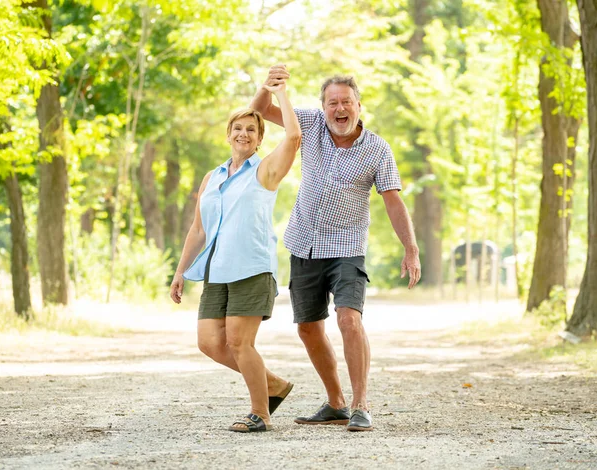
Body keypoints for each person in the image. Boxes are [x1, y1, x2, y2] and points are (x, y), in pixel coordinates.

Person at [250, 65, 421, 432]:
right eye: (332, 102)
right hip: (304, 243)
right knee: (308, 328)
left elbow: (393, 201)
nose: (339, 109)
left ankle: (361, 403)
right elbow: (261, 112)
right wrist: (269, 86)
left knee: (348, 319)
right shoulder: (309, 124)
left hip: (347, 245)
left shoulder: (377, 148)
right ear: (322, 106)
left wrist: (411, 249)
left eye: (346, 101)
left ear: (359, 105)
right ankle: (336, 402)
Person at [170, 82, 301, 433]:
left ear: (259, 139)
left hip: (251, 269)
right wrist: (181, 271)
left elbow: (292, 138)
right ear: (228, 135)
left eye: (252, 130)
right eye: (238, 128)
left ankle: (261, 412)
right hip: (216, 270)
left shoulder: (265, 171)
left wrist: (280, 93)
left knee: (240, 342)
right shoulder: (212, 177)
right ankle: (272, 384)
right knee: (210, 342)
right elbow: (198, 229)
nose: (244, 134)